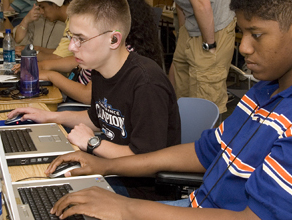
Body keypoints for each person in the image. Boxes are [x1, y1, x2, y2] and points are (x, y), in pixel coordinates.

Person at [43, 0, 292, 219]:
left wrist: (126, 209)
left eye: (256, 34)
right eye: (241, 32)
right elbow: (204, 151)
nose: (244, 47)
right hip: (197, 206)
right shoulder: (262, 92)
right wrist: (105, 166)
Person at [8, 0, 180, 200]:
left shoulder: (147, 85)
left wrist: (92, 143)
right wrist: (50, 116)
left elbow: (147, 161)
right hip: (108, 171)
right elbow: (96, 118)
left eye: (80, 39)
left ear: (114, 40)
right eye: (71, 37)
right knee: (29, 186)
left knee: (46, 196)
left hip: (139, 192)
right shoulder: (99, 70)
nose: (72, 47)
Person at [37, 0, 164, 105]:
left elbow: (87, 96)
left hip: (80, 106)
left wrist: (51, 75)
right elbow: (73, 61)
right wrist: (44, 66)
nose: (72, 47)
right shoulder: (101, 53)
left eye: (81, 39)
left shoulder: (117, 63)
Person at [172, 0, 236, 114]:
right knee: (182, 97)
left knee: (203, 102)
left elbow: (202, 4)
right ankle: (187, 130)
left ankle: (203, 131)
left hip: (212, 29)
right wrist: (182, 32)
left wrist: (210, 45)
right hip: (190, 27)